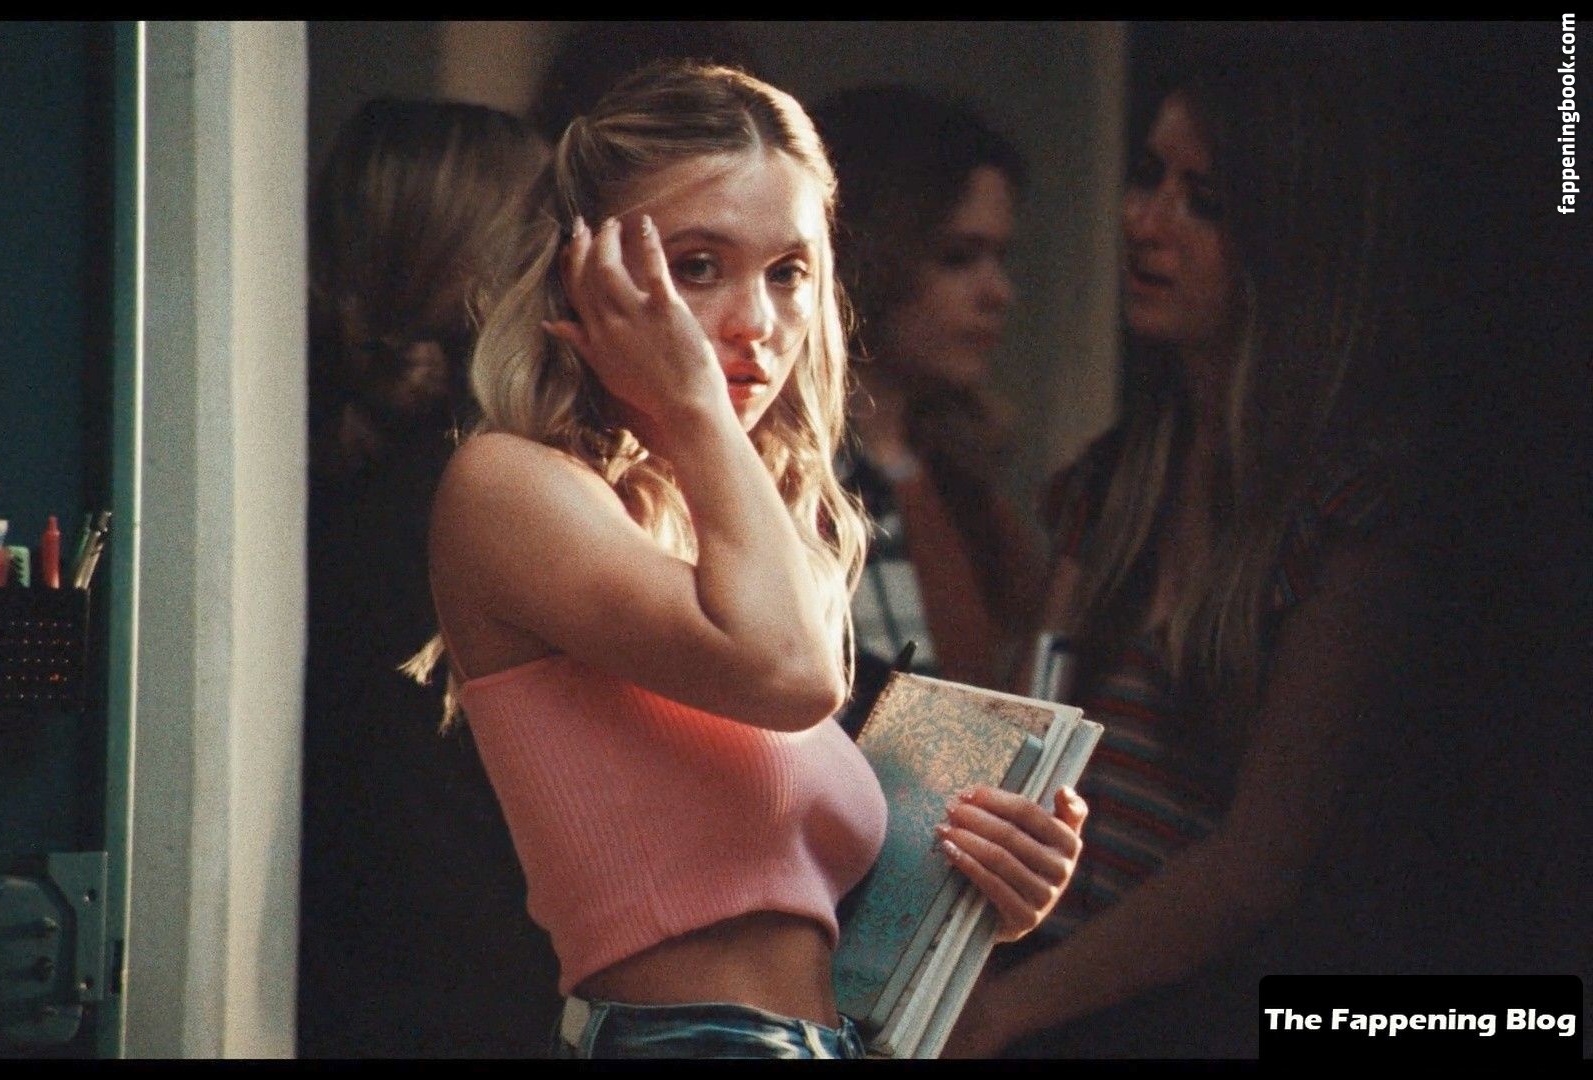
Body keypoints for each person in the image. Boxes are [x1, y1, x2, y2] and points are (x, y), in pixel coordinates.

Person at [403, 61, 1088, 1060]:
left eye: (788, 273)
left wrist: (982, 890)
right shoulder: (511, 484)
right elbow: (789, 672)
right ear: (583, 274)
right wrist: (693, 404)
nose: (755, 324)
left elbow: (778, 907)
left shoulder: (740, 530)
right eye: (697, 267)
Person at [943, 53, 1432, 1057]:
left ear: (1289, 242)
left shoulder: (1345, 515)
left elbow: (1255, 867)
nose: (1145, 221)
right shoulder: (1114, 481)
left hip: (1180, 1018)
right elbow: (1017, 745)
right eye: (1147, 178)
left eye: (1202, 202)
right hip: (1028, 985)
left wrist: (1000, 1014)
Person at [297, 97, 558, 1058]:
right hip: (476, 1003)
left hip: (348, 992)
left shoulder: (326, 483)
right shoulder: (487, 489)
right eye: (553, 233)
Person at [812, 84, 1048, 702]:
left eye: (1001, 258)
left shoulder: (970, 490)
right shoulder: (798, 476)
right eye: (957, 258)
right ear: (871, 255)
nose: (998, 293)